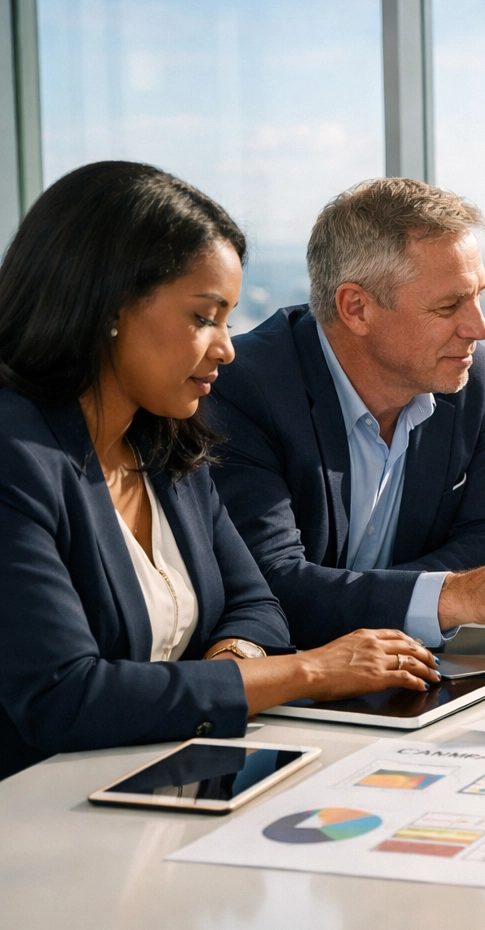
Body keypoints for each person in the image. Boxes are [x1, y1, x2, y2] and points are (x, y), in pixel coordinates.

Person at [0, 162, 438, 780]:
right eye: (204, 317)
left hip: (167, 787)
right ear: (108, 307)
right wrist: (306, 671)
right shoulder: (16, 458)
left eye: (228, 319)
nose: (226, 348)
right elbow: (63, 696)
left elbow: (257, 603)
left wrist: (234, 660)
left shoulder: (165, 443)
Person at [205, 178, 485, 650]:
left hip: (409, 668)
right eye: (449, 305)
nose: (480, 328)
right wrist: (451, 595)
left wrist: (369, 596)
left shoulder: (470, 380)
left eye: (479, 295)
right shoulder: (242, 386)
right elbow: (270, 586)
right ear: (356, 308)